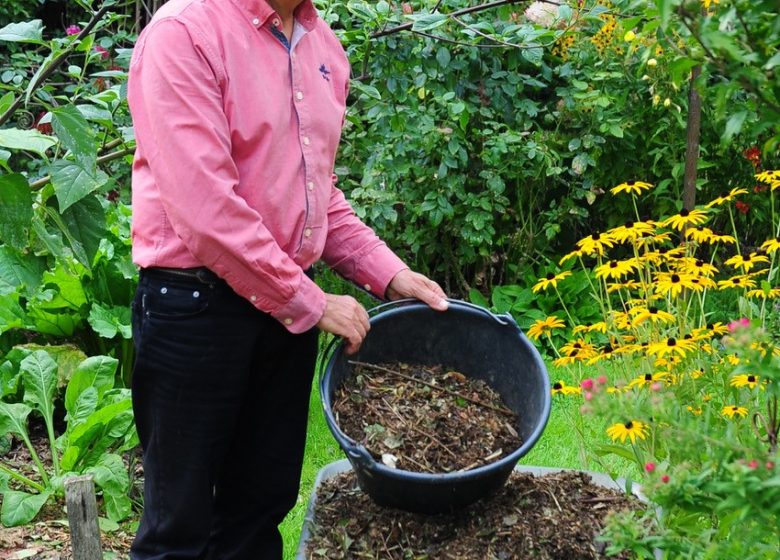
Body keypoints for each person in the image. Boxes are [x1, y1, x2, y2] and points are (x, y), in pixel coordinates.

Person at [126, 0, 447, 558]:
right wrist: (311, 302)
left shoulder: (323, 49)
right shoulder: (185, 33)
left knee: (258, 511)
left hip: (282, 313)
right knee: (178, 526)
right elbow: (205, 210)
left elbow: (316, 196)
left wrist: (391, 274)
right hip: (195, 307)